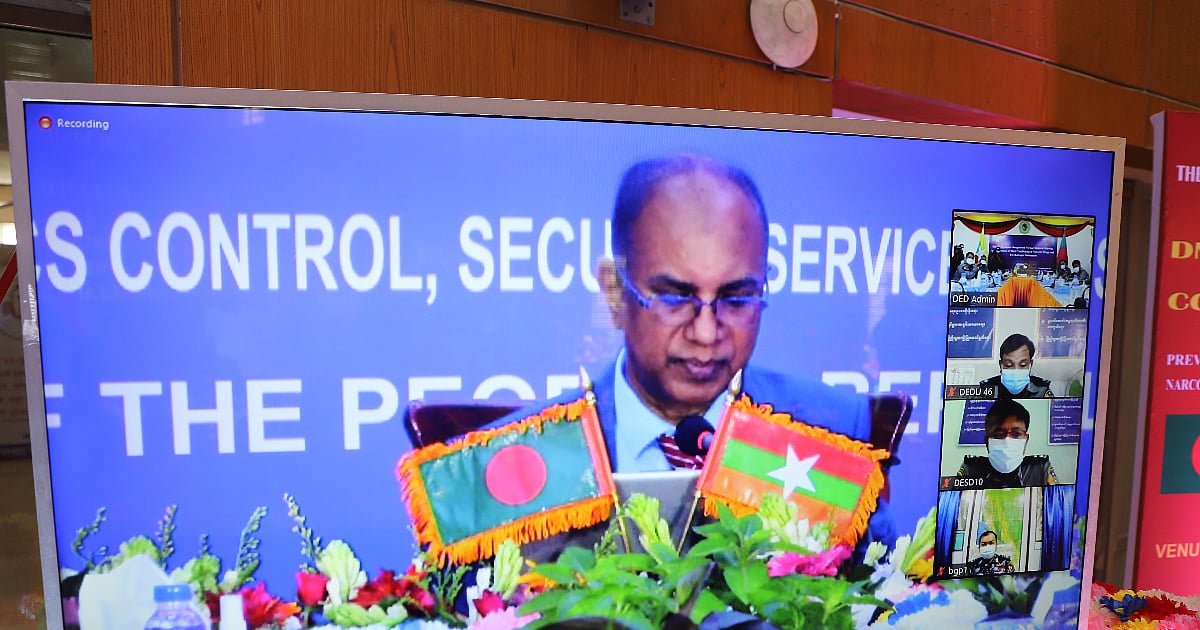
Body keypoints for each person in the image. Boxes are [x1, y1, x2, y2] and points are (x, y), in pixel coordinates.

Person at [488, 155, 895, 546]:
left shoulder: (833, 435)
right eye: (675, 298)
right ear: (614, 293)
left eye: (736, 299)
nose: (706, 333)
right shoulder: (518, 463)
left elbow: (885, 600)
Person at [956, 398, 1057, 488]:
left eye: (1016, 434)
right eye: (999, 435)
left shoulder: (1040, 469)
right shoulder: (970, 470)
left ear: (1026, 441)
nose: (1007, 441)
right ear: (987, 442)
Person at [978, 333, 1052, 398]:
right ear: (1001, 365)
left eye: (1023, 365)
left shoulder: (1041, 390)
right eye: (1009, 365)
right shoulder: (987, 389)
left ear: (1030, 364)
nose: (1016, 370)